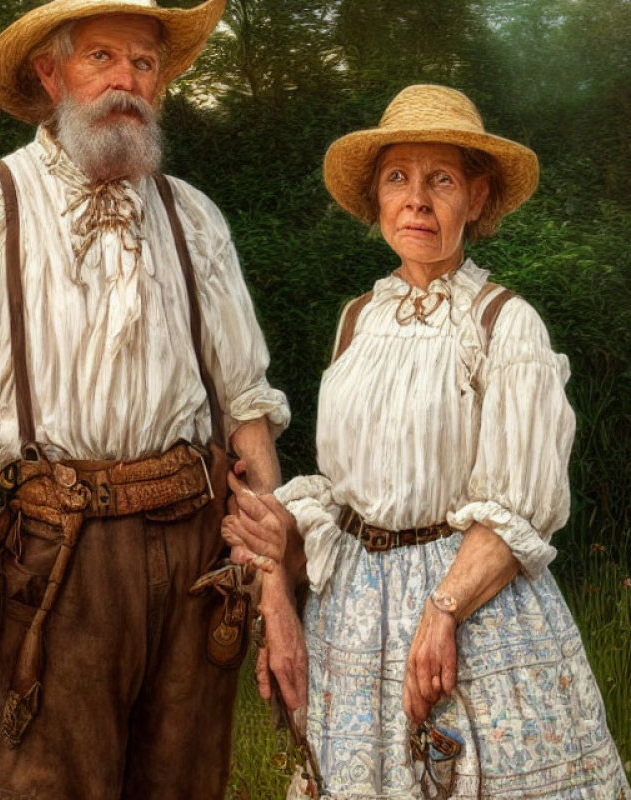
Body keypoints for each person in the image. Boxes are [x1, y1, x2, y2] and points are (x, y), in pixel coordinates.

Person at [0, 0, 294, 797]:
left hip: (197, 558)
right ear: (50, 73)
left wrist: (274, 581)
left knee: (185, 785)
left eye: (143, 64)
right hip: (52, 560)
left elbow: (245, 407)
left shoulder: (193, 218)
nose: (125, 82)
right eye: (102, 57)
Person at [223, 84, 631, 798]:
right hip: (353, 615)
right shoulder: (357, 320)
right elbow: (340, 489)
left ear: (476, 200)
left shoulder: (507, 324)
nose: (416, 200)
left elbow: (517, 505)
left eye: (440, 180)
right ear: (377, 201)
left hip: (469, 607)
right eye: (397, 179)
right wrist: (284, 551)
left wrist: (441, 614)